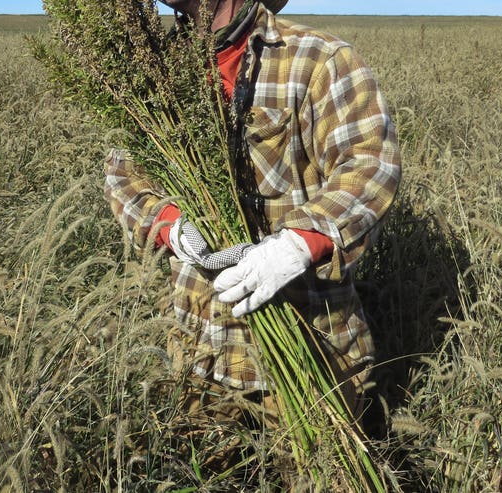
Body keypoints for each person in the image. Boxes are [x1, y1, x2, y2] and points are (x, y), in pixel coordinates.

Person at [104, 0, 401, 436]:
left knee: (324, 465)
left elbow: (370, 164)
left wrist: (300, 242)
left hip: (312, 353)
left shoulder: (320, 59)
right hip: (200, 351)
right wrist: (169, 224)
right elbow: (122, 176)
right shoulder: (152, 71)